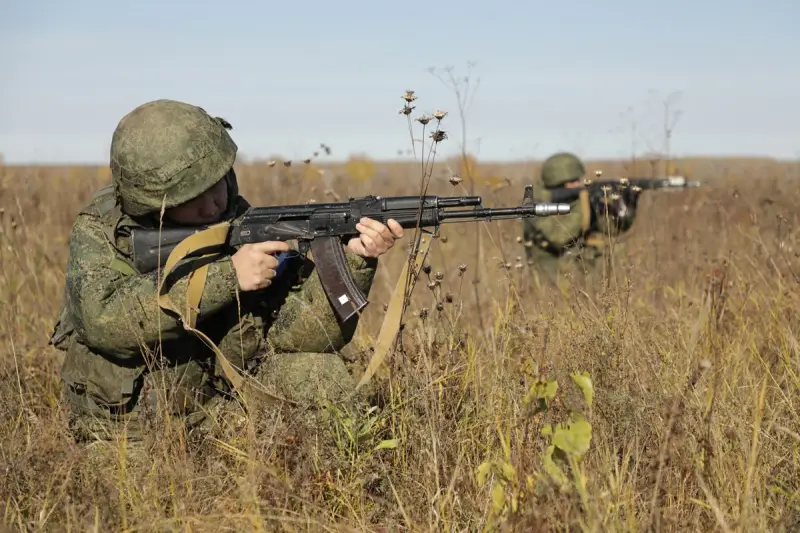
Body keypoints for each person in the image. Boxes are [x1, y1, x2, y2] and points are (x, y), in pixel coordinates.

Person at [48, 99, 404, 449]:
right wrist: (228, 276)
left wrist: (354, 260)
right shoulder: (105, 230)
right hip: (134, 419)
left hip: (222, 401)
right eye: (193, 197)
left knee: (320, 376)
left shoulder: (240, 219)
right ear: (154, 203)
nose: (214, 203)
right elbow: (103, 321)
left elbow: (300, 340)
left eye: (216, 183)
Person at [520, 152, 637, 290]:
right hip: (550, 287)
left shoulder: (579, 202)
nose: (579, 185)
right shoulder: (535, 207)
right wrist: (583, 203)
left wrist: (628, 203)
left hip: (583, 284)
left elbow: (612, 229)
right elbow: (559, 237)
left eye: (578, 180)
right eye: (572, 182)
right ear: (556, 184)